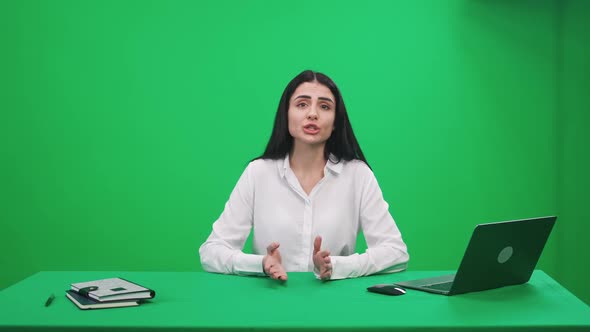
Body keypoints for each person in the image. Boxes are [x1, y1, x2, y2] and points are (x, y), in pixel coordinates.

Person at [199, 70, 409, 281]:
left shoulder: (358, 175)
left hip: (336, 304)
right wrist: (261, 264)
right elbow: (211, 251)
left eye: (325, 106)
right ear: (286, 114)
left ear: (336, 121)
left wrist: (335, 266)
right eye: (302, 104)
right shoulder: (258, 172)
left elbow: (396, 253)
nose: (313, 114)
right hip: (270, 302)